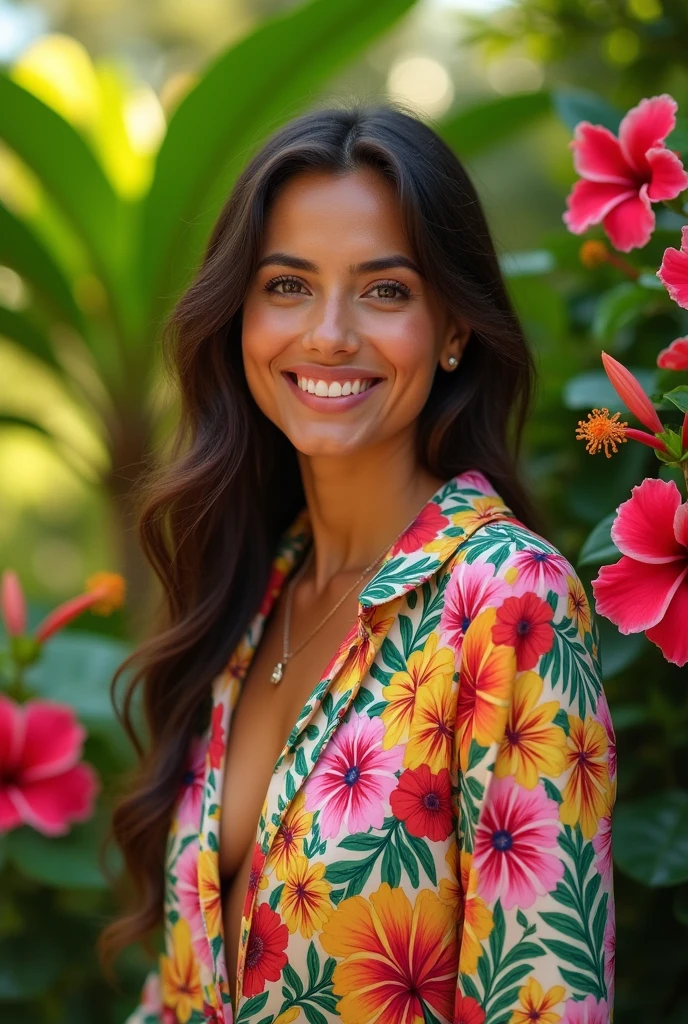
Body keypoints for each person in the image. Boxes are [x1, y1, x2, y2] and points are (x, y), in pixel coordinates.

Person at [101, 104, 616, 1024]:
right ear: (241, 317)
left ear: (453, 327)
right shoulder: (249, 597)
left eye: (384, 291)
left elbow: (545, 1001)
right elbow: (183, 987)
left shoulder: (508, 603)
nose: (330, 334)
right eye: (288, 286)